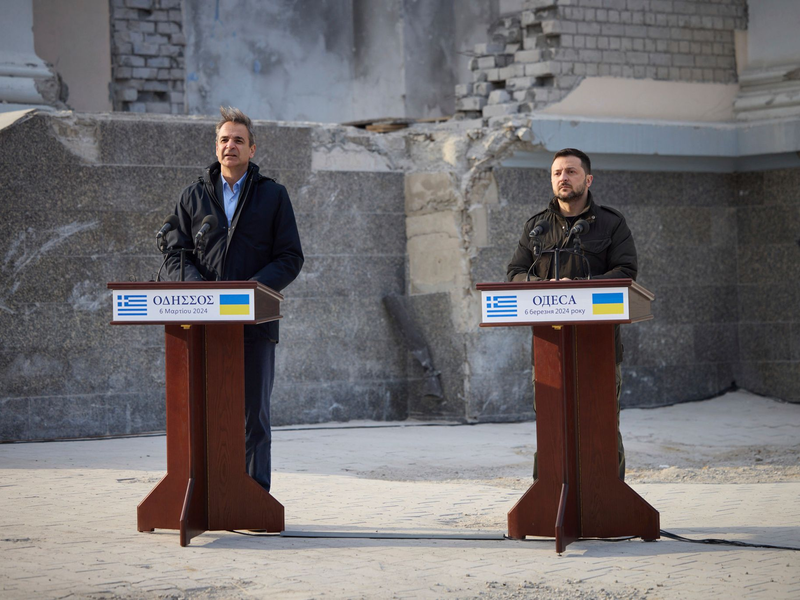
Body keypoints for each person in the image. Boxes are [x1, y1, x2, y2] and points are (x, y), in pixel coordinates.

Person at [165, 106, 304, 492]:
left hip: (255, 323)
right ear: (216, 146)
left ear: (252, 149)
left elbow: (291, 257)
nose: (231, 146)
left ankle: (254, 497)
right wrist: (199, 291)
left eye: (239, 140)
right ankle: (206, 494)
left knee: (252, 416)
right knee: (203, 412)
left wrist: (252, 291)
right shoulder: (193, 196)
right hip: (203, 320)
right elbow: (175, 252)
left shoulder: (273, 196)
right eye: (224, 139)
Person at [506, 148, 637, 480]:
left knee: (602, 422)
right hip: (551, 347)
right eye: (557, 173)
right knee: (552, 424)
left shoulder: (611, 222)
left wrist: (578, 286)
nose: (563, 178)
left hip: (600, 346)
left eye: (571, 172)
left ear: (588, 179)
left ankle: (610, 499)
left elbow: (626, 271)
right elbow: (515, 274)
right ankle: (548, 496)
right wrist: (543, 285)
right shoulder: (536, 227)